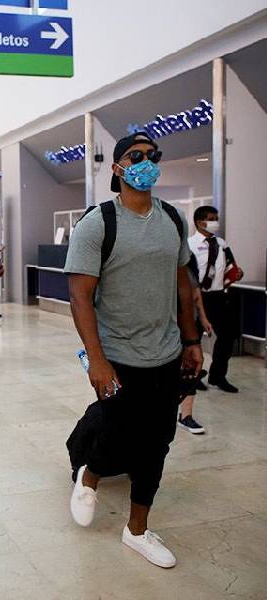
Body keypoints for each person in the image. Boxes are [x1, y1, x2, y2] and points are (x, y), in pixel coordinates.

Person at [64, 132, 202, 568]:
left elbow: (182, 284)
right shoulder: (98, 223)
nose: (146, 162)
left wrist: (192, 339)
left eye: (152, 156)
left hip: (165, 352)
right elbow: (80, 296)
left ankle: (137, 530)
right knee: (118, 433)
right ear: (118, 168)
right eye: (135, 156)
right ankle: (89, 475)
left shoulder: (173, 220)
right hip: (118, 354)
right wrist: (97, 360)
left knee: (158, 441)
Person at [189, 206, 243, 393]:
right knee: (192, 339)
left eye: (216, 218)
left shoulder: (222, 244)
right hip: (197, 297)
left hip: (218, 296)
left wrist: (236, 273)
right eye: (211, 219)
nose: (215, 222)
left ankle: (218, 375)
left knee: (227, 337)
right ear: (199, 222)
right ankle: (193, 377)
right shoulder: (190, 245)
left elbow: (230, 266)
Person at [177, 254, 213, 435]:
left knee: (190, 371)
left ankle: (186, 416)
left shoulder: (188, 265)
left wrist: (204, 319)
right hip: (164, 329)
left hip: (189, 328)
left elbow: (197, 295)